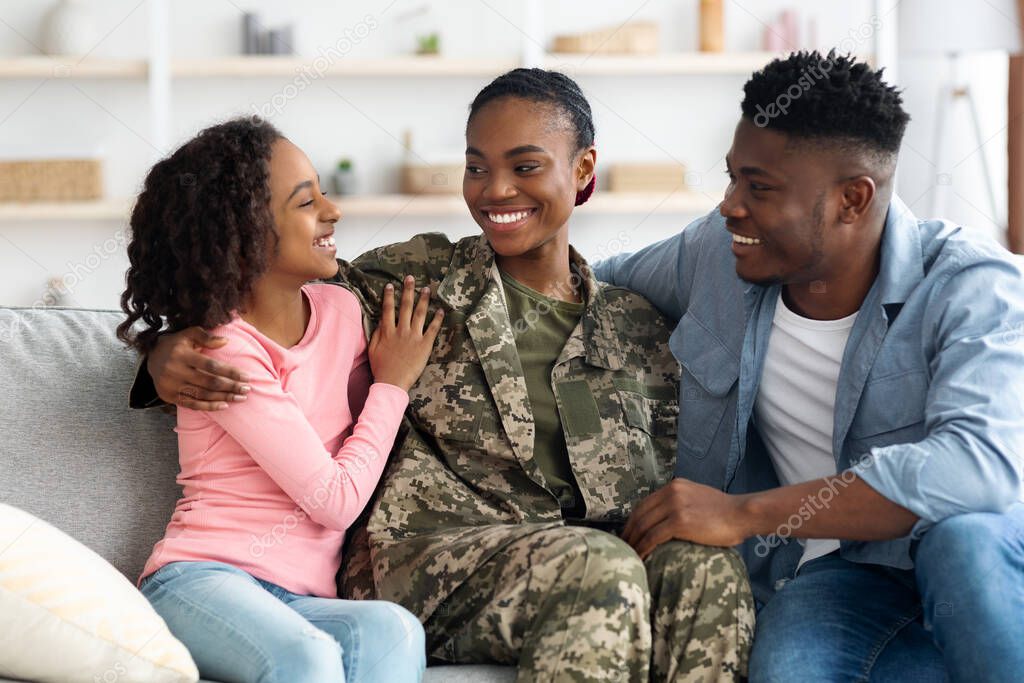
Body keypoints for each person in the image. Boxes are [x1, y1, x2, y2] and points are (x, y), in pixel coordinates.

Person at [136, 70, 755, 681]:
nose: (495, 191)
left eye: (526, 167)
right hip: (427, 557)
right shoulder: (414, 285)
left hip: (587, 551)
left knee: (707, 567)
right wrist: (163, 350)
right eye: (477, 167)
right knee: (594, 565)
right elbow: (256, 288)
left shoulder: (639, 326)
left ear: (584, 169)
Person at [595, 51, 1024, 682]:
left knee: (962, 544)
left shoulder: (974, 285)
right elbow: (584, 285)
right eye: (732, 179)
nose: (729, 206)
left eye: (759, 188)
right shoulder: (715, 255)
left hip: (989, 560)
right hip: (848, 573)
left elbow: (978, 472)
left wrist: (746, 514)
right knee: (787, 669)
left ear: (853, 199)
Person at [118, 118, 438, 683]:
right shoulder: (222, 350)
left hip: (299, 597)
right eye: (306, 202)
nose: (333, 210)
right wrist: (393, 384)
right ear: (244, 232)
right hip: (201, 581)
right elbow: (334, 500)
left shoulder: (342, 310)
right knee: (306, 657)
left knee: (394, 631)